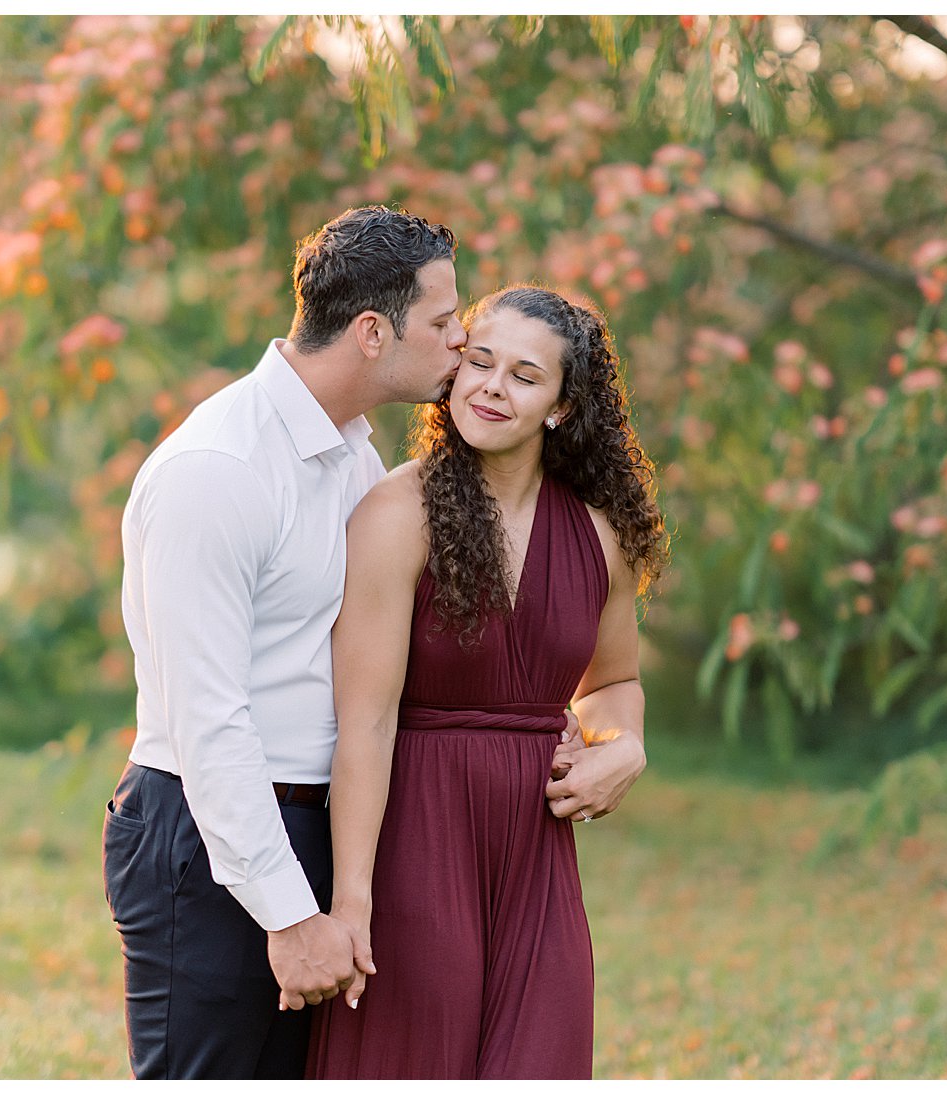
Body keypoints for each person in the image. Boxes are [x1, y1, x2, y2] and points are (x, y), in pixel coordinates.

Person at [100, 205, 466, 1080]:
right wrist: (286, 913)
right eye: (446, 322)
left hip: (314, 829)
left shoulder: (354, 459)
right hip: (209, 836)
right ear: (374, 332)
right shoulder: (218, 472)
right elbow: (209, 718)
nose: (462, 341)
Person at [307, 285, 669, 1079]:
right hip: (418, 840)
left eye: (524, 375)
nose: (491, 387)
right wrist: (354, 898)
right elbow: (363, 723)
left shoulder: (597, 534)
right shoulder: (397, 513)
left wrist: (623, 744)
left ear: (563, 408)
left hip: (538, 857)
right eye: (479, 360)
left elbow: (613, 682)